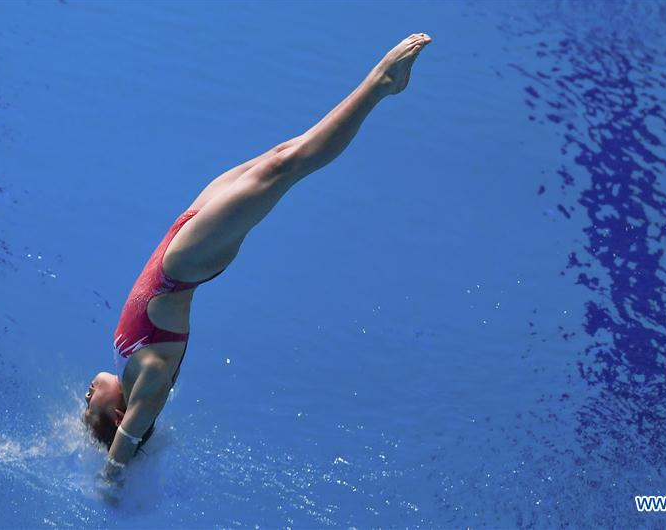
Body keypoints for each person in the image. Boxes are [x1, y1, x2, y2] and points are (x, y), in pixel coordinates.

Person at [83, 33, 432, 492]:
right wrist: (111, 475)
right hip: (185, 265)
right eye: (89, 407)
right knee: (287, 166)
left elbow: (126, 426)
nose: (85, 396)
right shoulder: (149, 387)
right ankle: (381, 83)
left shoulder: (132, 374)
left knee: (278, 155)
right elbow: (128, 443)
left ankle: (380, 85)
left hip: (181, 239)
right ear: (116, 414)